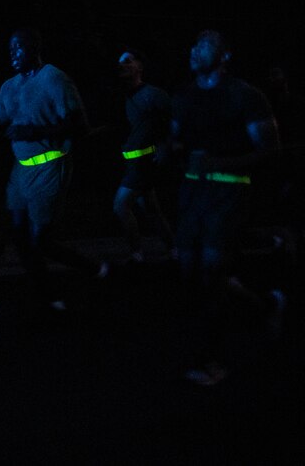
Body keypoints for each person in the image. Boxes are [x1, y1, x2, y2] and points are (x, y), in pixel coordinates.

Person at [170, 30, 284, 386]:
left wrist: (222, 163)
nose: (193, 49)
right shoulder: (184, 96)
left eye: (202, 44)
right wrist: (168, 152)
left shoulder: (245, 96)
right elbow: (176, 141)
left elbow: (270, 151)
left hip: (229, 193)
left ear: (224, 55)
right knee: (190, 268)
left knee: (212, 271)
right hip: (193, 192)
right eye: (193, 43)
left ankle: (213, 360)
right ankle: (265, 304)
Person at [0, 28, 108, 312]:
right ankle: (48, 295)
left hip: (50, 164)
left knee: (42, 240)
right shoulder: (9, 86)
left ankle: (94, 269)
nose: (13, 54)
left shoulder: (53, 78)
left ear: (35, 49)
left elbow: (79, 126)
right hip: (20, 169)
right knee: (20, 234)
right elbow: (2, 120)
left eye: (19, 48)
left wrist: (33, 130)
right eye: (10, 49)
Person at [112, 47, 175, 263]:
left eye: (128, 61)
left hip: (144, 162)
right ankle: (174, 248)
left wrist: (165, 145)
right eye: (120, 62)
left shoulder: (154, 95)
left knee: (120, 205)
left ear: (140, 66)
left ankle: (136, 253)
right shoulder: (126, 96)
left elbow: (174, 122)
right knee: (151, 208)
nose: (122, 65)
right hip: (134, 162)